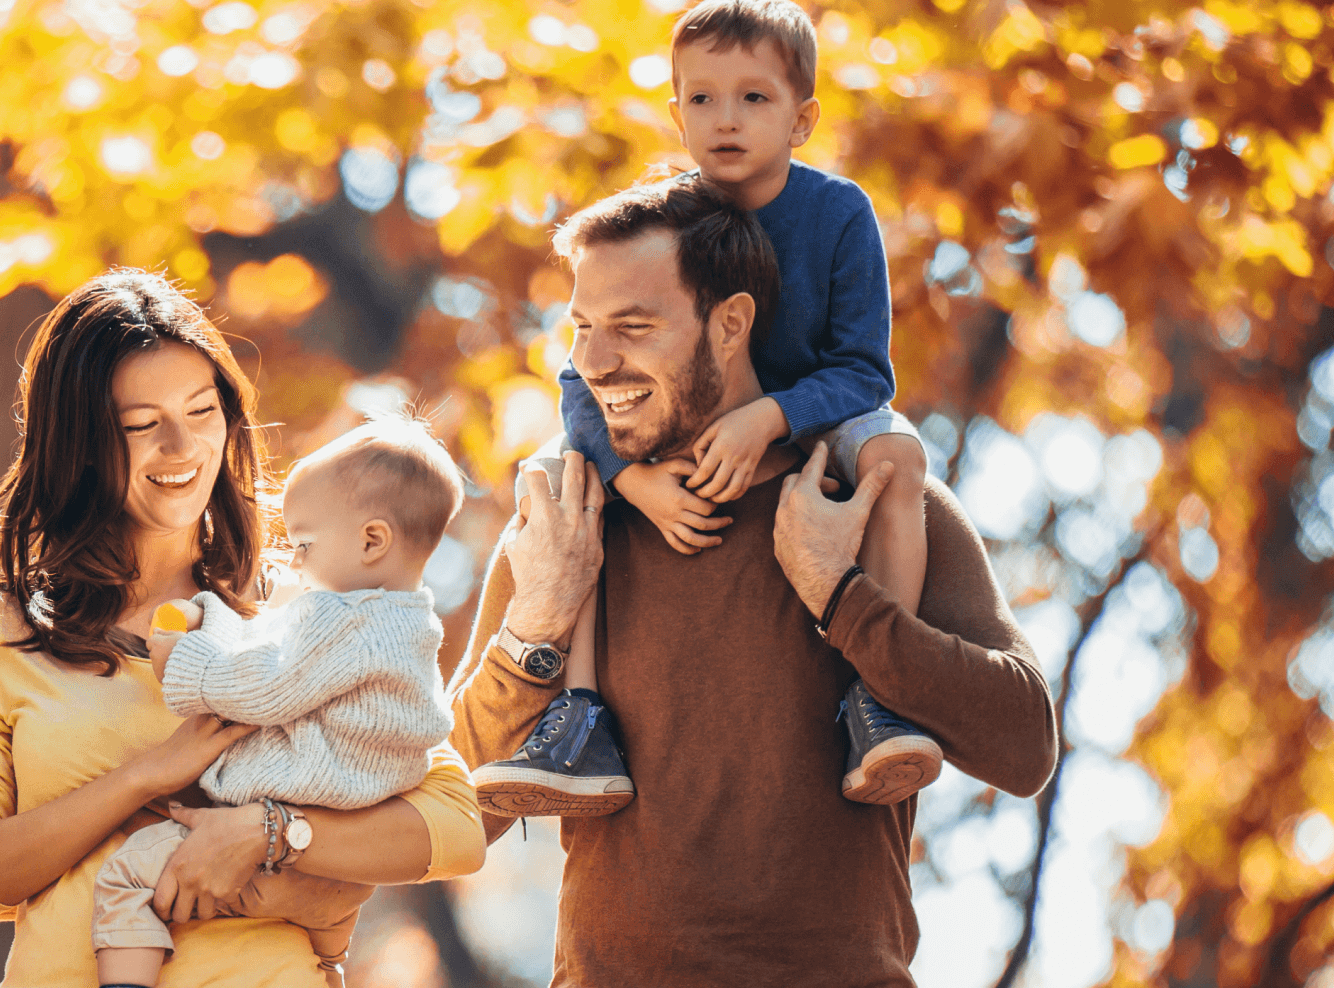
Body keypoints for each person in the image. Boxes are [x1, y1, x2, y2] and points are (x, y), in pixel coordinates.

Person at [450, 176, 1057, 983]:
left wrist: (844, 597)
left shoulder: (870, 508)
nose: (594, 364)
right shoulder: (569, 526)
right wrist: (537, 625)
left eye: (632, 328)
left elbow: (1023, 746)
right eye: (583, 329)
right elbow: (450, 813)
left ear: (731, 323)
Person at [0, 270, 486, 988]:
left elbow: (455, 831)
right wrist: (146, 776)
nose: (182, 446)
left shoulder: (309, 603)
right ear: (81, 444)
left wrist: (267, 833)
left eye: (201, 411)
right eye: (141, 425)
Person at [484, 0, 947, 815]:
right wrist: (630, 479)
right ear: (675, 112)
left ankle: (880, 694)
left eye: (753, 99)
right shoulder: (671, 217)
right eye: (701, 99)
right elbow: (577, 379)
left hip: (815, 427)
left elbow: (865, 370)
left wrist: (769, 417)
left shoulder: (838, 214)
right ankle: (579, 717)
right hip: (673, 441)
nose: (724, 120)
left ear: (802, 119)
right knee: (562, 477)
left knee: (896, 456)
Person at [94, 418, 468, 988]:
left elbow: (267, 686)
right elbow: (275, 644)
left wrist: (185, 662)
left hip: (288, 806)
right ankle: (327, 954)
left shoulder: (340, 617)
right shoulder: (410, 623)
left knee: (127, 876)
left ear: (372, 541)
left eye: (303, 544)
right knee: (321, 945)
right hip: (348, 830)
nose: (294, 562)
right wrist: (215, 616)